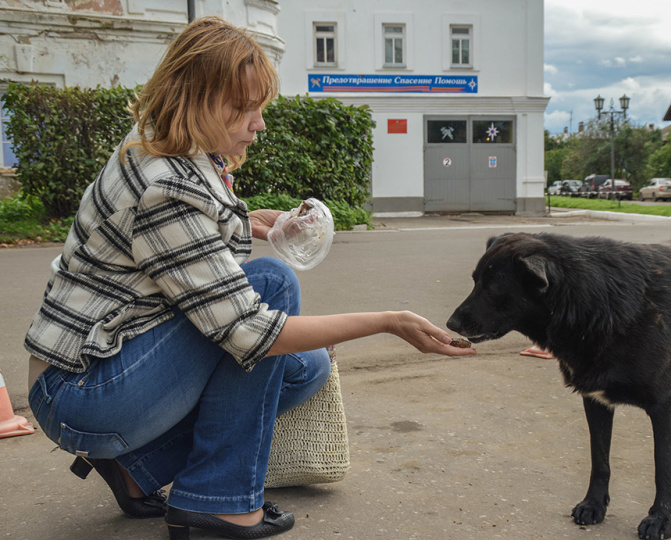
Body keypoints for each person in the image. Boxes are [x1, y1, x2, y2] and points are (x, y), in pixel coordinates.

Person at [24, 16, 475, 540]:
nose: (258, 123)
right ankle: (219, 500)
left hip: (98, 364)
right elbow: (246, 330)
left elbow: (174, 247)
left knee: (304, 369)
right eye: (245, 108)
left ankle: (135, 470)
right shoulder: (165, 184)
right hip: (81, 392)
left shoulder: (155, 142)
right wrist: (387, 322)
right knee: (272, 289)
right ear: (197, 99)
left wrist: (252, 219)